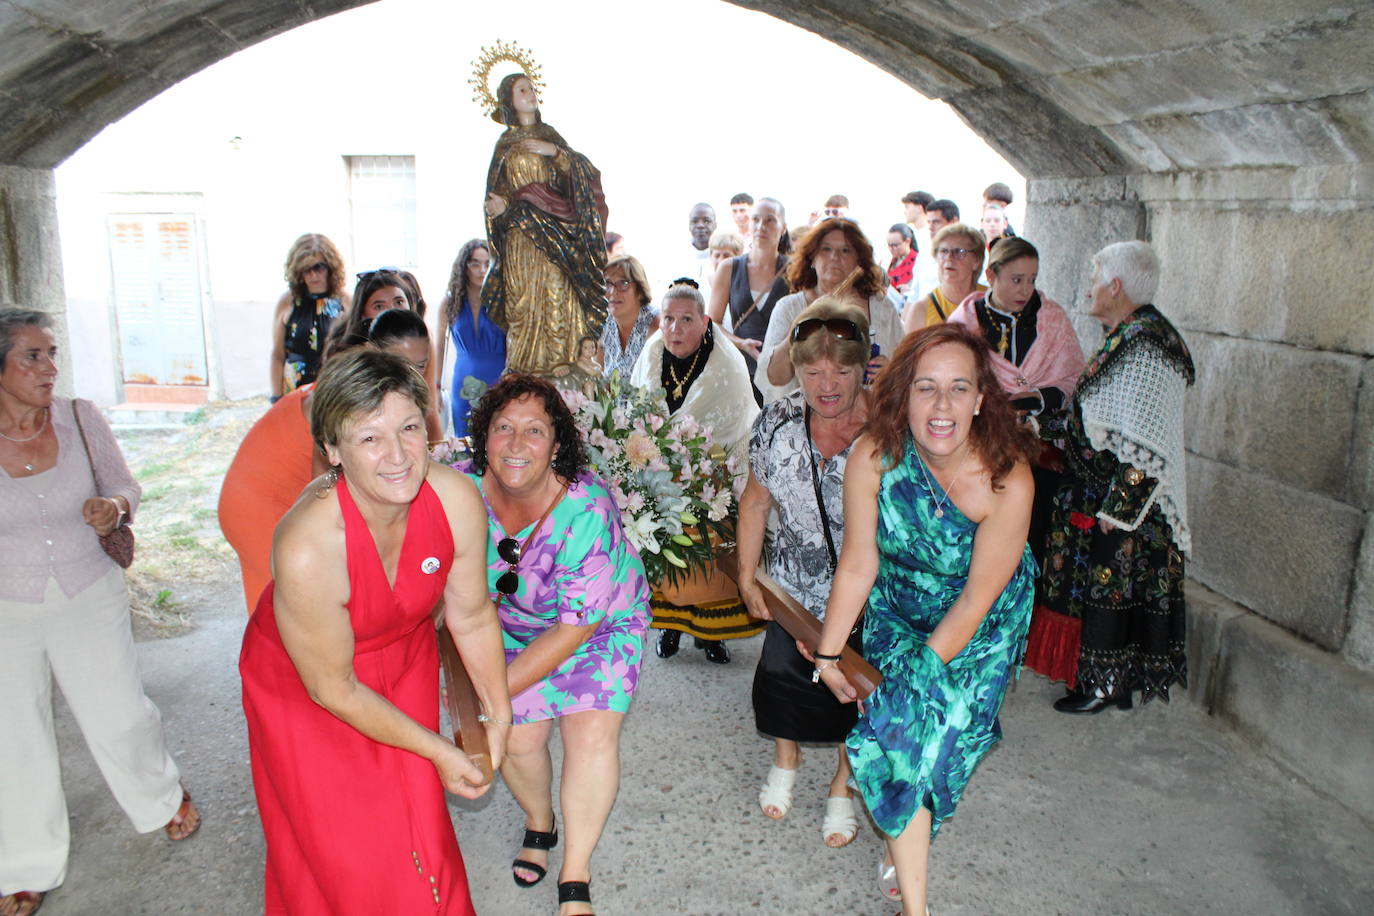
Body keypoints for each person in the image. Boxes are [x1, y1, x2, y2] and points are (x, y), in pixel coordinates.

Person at [240, 348, 510, 915]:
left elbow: (472, 614)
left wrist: (498, 711)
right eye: (369, 438)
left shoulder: (456, 500)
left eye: (409, 427)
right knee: (345, 848)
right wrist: (437, 747)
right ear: (333, 450)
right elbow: (332, 688)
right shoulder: (310, 544)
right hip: (305, 684)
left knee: (421, 823)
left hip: (404, 653)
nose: (398, 456)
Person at [814, 323, 1038, 915]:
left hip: (985, 619)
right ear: (902, 395)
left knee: (942, 741)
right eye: (926, 388)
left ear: (981, 399)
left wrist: (918, 676)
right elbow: (859, 563)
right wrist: (829, 653)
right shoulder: (873, 457)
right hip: (900, 604)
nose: (942, 407)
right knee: (908, 738)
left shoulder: (1008, 478)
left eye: (959, 389)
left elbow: (975, 598)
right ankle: (917, 907)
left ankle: (860, 774)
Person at [1, 308, 200, 916]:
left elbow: (127, 486)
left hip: (89, 589)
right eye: (32, 356)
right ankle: (24, 861)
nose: (49, 368)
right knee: (15, 736)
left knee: (118, 712)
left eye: (53, 353)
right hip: (8, 603)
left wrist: (114, 507)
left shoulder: (80, 418)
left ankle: (161, 798)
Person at [462, 373, 649, 916]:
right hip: (507, 628)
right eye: (504, 428)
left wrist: (491, 696)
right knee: (518, 738)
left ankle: (576, 872)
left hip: (599, 625)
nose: (517, 444)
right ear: (484, 437)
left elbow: (574, 628)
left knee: (590, 735)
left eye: (535, 431)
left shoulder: (584, 509)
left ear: (557, 445)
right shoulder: (460, 490)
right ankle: (539, 821)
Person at [1023, 240, 1195, 714]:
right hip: (1099, 494)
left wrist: (1120, 510)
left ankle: (1107, 685)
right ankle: (1104, 683)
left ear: (1116, 286)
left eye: (1096, 279)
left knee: (1113, 588)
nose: (1090, 288)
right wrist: (1036, 425)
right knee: (1101, 589)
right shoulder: (1131, 334)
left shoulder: (1147, 345)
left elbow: (1148, 440)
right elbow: (1101, 419)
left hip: (1123, 505)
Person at [736, 300, 871, 849]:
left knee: (858, 693)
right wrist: (747, 576)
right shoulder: (777, 422)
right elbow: (754, 503)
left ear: (864, 364)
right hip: (792, 589)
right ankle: (786, 754)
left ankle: (844, 783)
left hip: (867, 595)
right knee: (784, 679)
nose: (827, 383)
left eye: (841, 369)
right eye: (813, 370)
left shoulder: (890, 429)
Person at [219, 308, 443, 614]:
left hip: (287, 489)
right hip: (257, 501)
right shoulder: (347, 396)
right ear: (372, 355)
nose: (411, 375)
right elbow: (322, 487)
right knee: (292, 606)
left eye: (420, 365)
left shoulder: (392, 397)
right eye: (401, 364)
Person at [631, 281, 762, 664]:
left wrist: (694, 464)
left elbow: (734, 423)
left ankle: (712, 635)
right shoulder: (653, 352)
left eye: (686, 320)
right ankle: (671, 627)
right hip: (661, 475)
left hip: (716, 474)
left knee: (708, 555)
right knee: (668, 554)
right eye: (668, 319)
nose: (675, 329)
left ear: (705, 322)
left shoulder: (726, 365)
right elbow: (640, 412)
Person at [947, 237, 1085, 566]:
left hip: (1042, 456)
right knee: (985, 544)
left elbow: (1072, 379)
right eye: (1017, 280)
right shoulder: (966, 321)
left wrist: (1036, 398)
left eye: (1033, 280)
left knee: (1033, 542)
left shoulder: (1051, 319)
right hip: (983, 450)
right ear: (992, 276)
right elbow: (952, 382)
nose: (1026, 290)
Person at [482, 72, 608, 377]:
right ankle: (525, 365)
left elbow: (583, 175)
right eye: (522, 90)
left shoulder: (550, 137)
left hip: (555, 235)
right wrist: (497, 208)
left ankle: (560, 359)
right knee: (523, 300)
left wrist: (556, 153)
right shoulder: (505, 145)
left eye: (531, 88)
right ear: (509, 101)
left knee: (557, 290)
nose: (530, 94)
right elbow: (495, 194)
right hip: (520, 236)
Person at [756, 217, 903, 404]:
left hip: (870, 420)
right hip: (804, 424)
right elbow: (774, 378)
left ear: (859, 260)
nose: (835, 257)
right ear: (812, 258)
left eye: (845, 250)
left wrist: (890, 371)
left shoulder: (883, 308)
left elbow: (906, 369)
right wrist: (805, 321)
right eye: (826, 249)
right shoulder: (788, 308)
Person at [327, 268, 443, 442]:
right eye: (379, 306)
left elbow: (429, 410)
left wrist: (439, 454)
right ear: (363, 313)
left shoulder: (422, 341)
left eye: (399, 302)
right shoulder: (346, 356)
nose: (390, 310)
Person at [707, 197, 790, 401]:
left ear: (783, 227)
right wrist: (742, 343)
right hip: (741, 372)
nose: (761, 226)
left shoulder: (795, 271)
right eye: (756, 219)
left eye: (770, 220)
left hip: (784, 373)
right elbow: (712, 322)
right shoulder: (729, 268)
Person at [437, 239, 505, 438]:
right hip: (463, 381)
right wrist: (436, 386)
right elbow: (440, 347)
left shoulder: (502, 303)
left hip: (499, 379)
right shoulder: (450, 303)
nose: (482, 269)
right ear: (464, 266)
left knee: (497, 436)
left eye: (487, 263)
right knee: (464, 439)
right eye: (475, 263)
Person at [270, 233, 347, 400]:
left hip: (334, 387)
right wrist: (276, 398)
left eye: (318, 267)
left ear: (330, 267)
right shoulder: (287, 302)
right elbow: (277, 355)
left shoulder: (346, 302)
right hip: (295, 390)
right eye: (307, 269)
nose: (313, 275)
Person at [902, 222, 987, 334]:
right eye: (943, 251)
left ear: (976, 261)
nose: (949, 258)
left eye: (959, 252)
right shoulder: (921, 310)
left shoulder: (991, 301)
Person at [599, 255, 658, 380]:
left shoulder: (656, 324)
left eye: (623, 284)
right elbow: (597, 380)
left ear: (640, 289)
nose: (613, 291)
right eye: (608, 283)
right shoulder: (604, 326)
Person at [685, 202, 717, 287]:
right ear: (689, 225)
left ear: (715, 225)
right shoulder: (678, 256)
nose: (700, 225)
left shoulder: (723, 256)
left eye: (706, 221)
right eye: (695, 221)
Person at [886, 223, 918, 298]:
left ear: (907, 241)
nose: (891, 249)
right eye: (889, 245)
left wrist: (909, 291)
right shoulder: (887, 260)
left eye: (895, 245)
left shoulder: (918, 261)